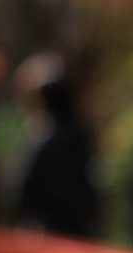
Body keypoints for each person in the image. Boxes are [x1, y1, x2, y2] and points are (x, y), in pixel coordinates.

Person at [14, 54, 99, 238]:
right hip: (78, 224)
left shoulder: (43, 135)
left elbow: (22, 183)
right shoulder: (81, 131)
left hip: (48, 225)